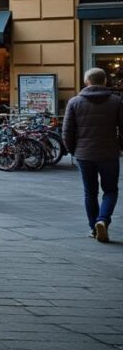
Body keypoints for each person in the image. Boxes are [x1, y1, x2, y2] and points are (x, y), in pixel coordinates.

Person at [63, 67, 123, 243]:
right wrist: (120, 147)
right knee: (110, 190)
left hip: (84, 154)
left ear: (86, 81)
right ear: (105, 81)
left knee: (90, 192)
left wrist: (73, 150)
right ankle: (102, 220)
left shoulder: (74, 102)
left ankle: (93, 228)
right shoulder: (116, 101)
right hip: (109, 152)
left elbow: (67, 131)